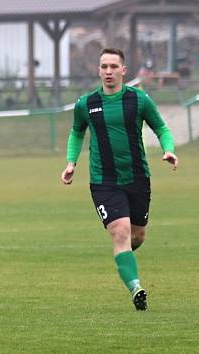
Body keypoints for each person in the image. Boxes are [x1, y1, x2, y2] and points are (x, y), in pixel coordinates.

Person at [60, 48, 178, 311]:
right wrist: (71, 163)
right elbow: (77, 132)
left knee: (137, 237)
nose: (109, 71)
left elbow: (160, 126)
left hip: (137, 178)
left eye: (114, 66)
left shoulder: (139, 100)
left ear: (124, 70)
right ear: (98, 70)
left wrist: (168, 149)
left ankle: (123, 258)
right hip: (104, 181)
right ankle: (136, 287)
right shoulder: (86, 104)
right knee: (120, 232)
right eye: (104, 66)